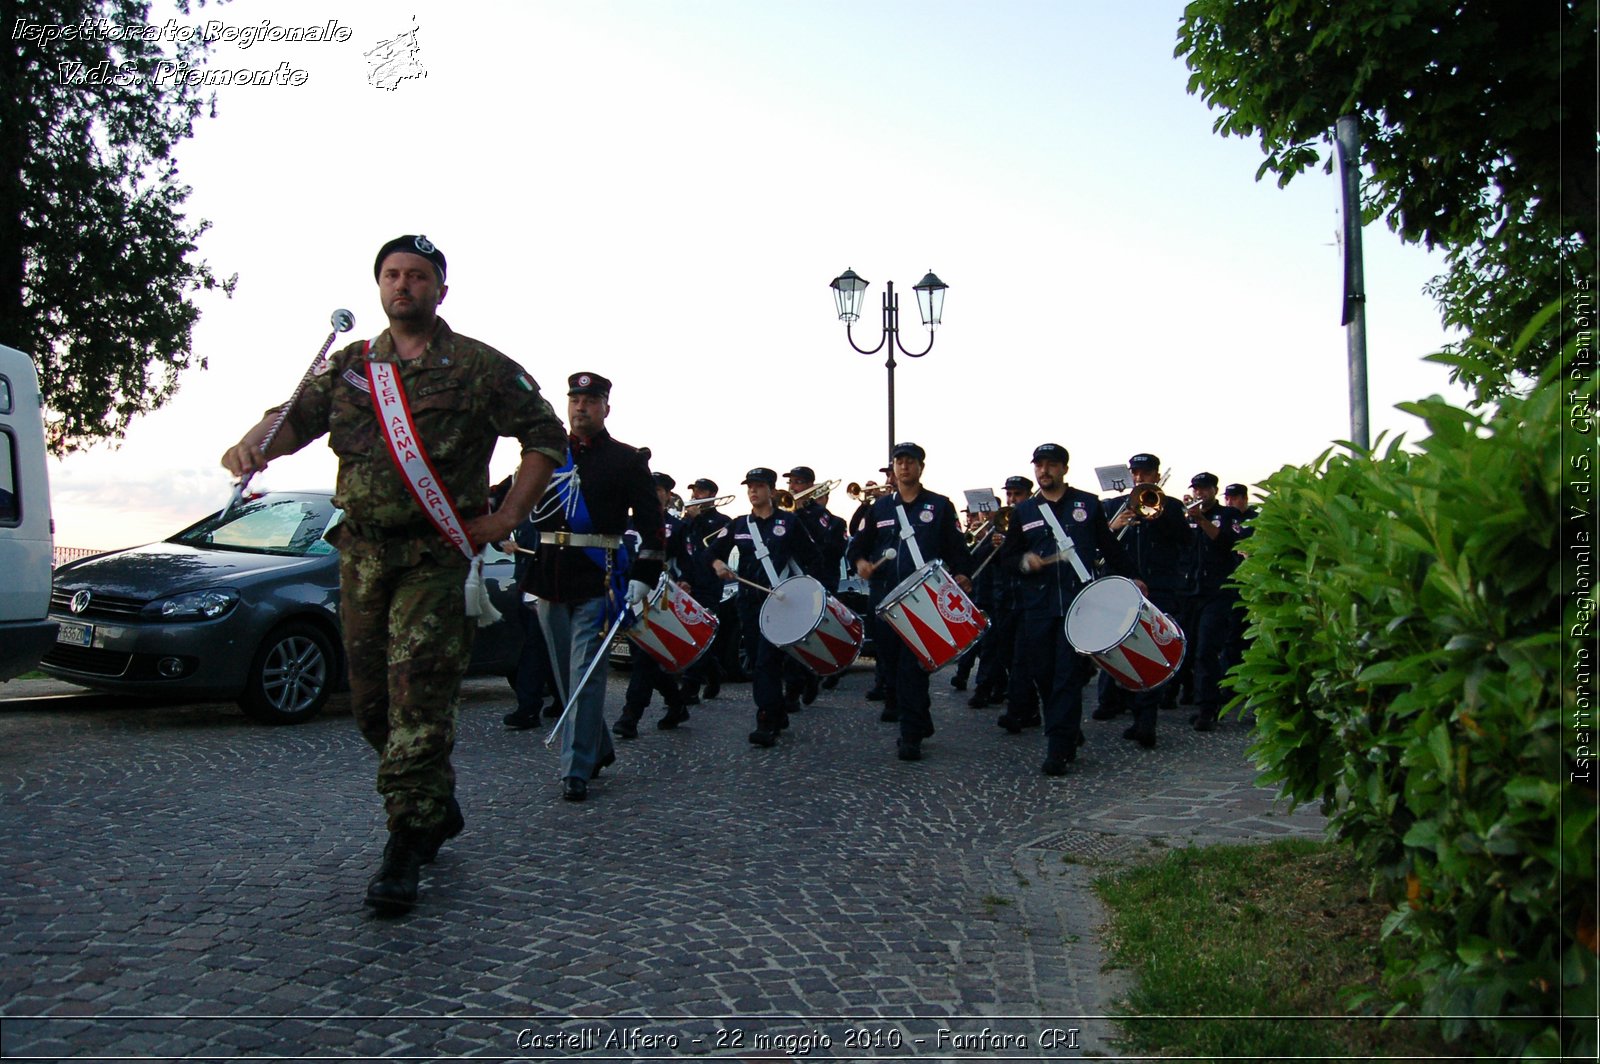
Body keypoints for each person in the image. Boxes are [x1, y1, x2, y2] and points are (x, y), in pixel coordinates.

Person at [220, 234, 566, 914]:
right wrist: (254, 444)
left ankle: (405, 843)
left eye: (416, 276)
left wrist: (504, 519)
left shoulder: (479, 367)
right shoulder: (352, 366)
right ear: (379, 286)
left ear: (441, 288)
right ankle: (433, 800)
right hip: (362, 556)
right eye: (391, 275)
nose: (402, 285)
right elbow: (293, 419)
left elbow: (544, 437)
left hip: (435, 558)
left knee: (418, 696)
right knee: (373, 705)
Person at [525, 372, 664, 801]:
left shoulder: (626, 460)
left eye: (590, 399)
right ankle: (599, 746)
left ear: (606, 407)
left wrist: (644, 576)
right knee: (567, 678)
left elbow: (651, 526)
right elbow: (512, 497)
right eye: (575, 398)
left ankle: (575, 768)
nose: (581, 407)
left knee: (585, 675)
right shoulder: (547, 455)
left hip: (596, 576)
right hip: (549, 574)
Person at [997, 443, 1139, 775]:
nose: (1044, 471)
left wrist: (1135, 577)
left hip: (1079, 605)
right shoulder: (1024, 512)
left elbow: (1109, 547)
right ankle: (1069, 729)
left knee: (1066, 677)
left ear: (1063, 469)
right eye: (1039, 465)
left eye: (1051, 465)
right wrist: (1023, 561)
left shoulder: (1087, 504)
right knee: (1044, 675)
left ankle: (1058, 748)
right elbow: (1007, 559)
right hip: (1039, 607)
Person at [845, 442, 972, 762]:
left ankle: (910, 734)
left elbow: (957, 548)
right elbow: (857, 545)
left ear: (921, 467)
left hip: (923, 598)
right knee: (890, 665)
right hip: (885, 597)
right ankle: (919, 717)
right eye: (899, 462)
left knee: (912, 667)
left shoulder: (940, 506)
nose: (904, 467)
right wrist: (860, 561)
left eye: (910, 462)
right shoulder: (879, 509)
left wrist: (962, 574)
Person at [707, 467, 821, 746]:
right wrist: (718, 564)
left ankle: (766, 719)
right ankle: (777, 711)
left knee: (765, 662)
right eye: (750, 487)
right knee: (761, 658)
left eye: (758, 486)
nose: (753, 492)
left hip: (780, 601)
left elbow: (812, 558)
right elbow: (711, 551)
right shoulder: (739, 524)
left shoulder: (789, 523)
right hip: (749, 601)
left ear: (772, 491)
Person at [1095, 453, 1188, 748]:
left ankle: (1146, 720)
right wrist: (1113, 527)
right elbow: (1095, 545)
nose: (1140, 479)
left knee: (1150, 648)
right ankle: (1113, 701)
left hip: (1158, 584)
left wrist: (1159, 519)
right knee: (1116, 645)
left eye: (1146, 473)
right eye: (1136, 473)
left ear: (1156, 475)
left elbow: (1187, 542)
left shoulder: (1170, 506)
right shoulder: (1111, 506)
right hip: (1120, 586)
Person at [612, 471, 690, 738]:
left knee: (644, 660)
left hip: (660, 600)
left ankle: (630, 715)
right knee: (644, 658)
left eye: (660, 490)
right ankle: (677, 702)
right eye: (650, 488)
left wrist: (686, 581)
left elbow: (690, 562)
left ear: (668, 496)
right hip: (628, 597)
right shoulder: (625, 523)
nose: (654, 493)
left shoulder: (676, 527)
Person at [1180, 472, 1246, 731]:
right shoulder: (1188, 516)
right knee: (1190, 648)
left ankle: (1208, 708)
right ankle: (1197, 698)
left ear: (1215, 491)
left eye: (1205, 489)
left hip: (1217, 592)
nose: (1200, 493)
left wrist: (1202, 520)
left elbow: (1228, 542)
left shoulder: (1227, 515)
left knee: (1207, 649)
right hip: (1190, 591)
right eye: (1197, 489)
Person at [783, 464, 846, 706]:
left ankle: (811, 678)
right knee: (791, 638)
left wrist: (800, 515)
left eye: (798, 483)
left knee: (811, 637)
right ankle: (792, 690)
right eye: (791, 482)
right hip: (790, 583)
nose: (793, 487)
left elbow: (829, 551)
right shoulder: (785, 516)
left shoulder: (828, 520)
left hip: (819, 583)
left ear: (811, 487)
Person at [971, 475, 1032, 711]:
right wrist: (990, 544)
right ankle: (992, 688)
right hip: (1000, 594)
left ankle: (1020, 704)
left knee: (1021, 655)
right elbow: (978, 558)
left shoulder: (1032, 519)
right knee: (998, 648)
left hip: (1025, 595)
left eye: (1018, 494)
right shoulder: (999, 523)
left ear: (1028, 495)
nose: (1013, 499)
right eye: (1010, 494)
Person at [678, 477, 735, 700]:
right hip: (690, 583)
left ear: (712, 494)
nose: (694, 496)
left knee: (702, 632)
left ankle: (690, 687)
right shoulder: (689, 521)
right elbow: (686, 550)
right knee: (691, 633)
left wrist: (698, 519)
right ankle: (714, 672)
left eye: (700, 492)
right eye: (693, 492)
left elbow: (708, 550)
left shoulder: (722, 521)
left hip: (710, 584)